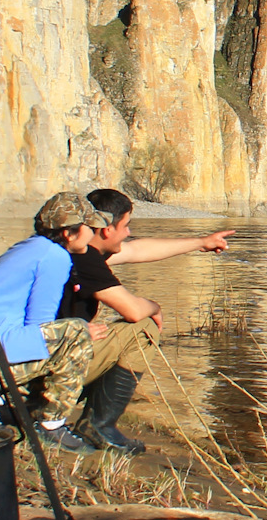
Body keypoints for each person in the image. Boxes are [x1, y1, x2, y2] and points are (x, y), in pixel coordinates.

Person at [62, 188, 234, 453]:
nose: (129, 232)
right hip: (50, 365)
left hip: (39, 355)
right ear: (107, 229)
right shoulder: (83, 259)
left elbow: (137, 250)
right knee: (144, 328)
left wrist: (202, 242)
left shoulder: (76, 249)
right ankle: (98, 425)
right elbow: (131, 311)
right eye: (126, 225)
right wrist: (155, 307)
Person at [0, 191, 111, 452]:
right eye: (90, 227)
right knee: (75, 332)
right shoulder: (55, 257)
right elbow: (39, 326)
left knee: (62, 334)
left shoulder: (26, 247)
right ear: (69, 232)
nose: (94, 233)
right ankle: (50, 423)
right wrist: (77, 336)